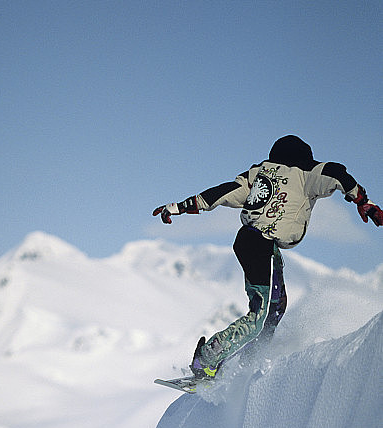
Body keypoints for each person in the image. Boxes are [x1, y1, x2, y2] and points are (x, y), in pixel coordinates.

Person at [153, 135, 383, 379]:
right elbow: (337, 174)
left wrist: (179, 206)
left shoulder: (259, 173)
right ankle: (207, 359)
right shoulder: (306, 173)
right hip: (262, 243)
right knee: (260, 317)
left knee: (276, 306)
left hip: (251, 241)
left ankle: (247, 362)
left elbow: (222, 193)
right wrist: (362, 200)